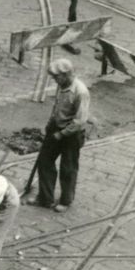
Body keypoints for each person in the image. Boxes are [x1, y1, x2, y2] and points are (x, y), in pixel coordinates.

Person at [35, 58, 90, 211]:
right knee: (44, 161)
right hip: (56, 129)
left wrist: (62, 134)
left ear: (66, 75)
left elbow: (80, 121)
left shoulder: (81, 91)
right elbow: (58, 107)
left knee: (68, 168)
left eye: (56, 77)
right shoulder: (62, 85)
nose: (54, 80)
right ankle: (45, 198)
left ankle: (66, 201)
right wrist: (50, 124)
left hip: (71, 135)